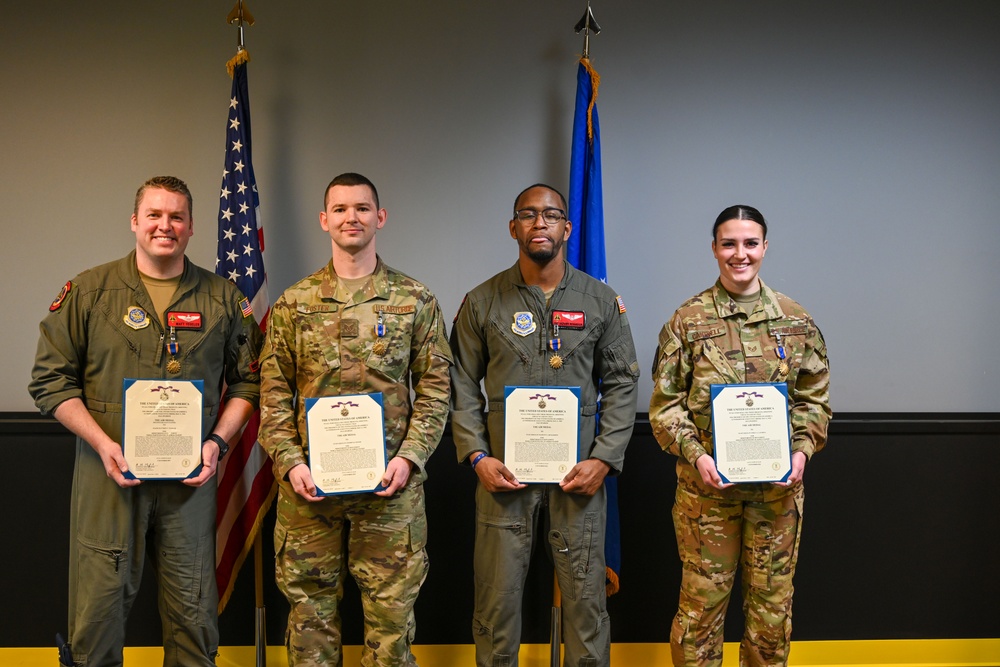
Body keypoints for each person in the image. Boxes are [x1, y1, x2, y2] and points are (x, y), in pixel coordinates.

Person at [28, 176, 263, 667]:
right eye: (154, 215)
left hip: (190, 483)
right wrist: (101, 442)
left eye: (176, 216)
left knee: (195, 621)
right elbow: (51, 382)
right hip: (109, 476)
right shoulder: (90, 292)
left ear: (192, 227)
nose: (165, 225)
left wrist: (218, 442)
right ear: (135, 221)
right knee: (97, 619)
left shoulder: (222, 298)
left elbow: (248, 383)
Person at [258, 172, 452, 667]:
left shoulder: (414, 300)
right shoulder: (293, 304)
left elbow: (435, 389)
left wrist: (410, 458)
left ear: (379, 218)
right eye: (341, 209)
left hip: (390, 490)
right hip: (308, 492)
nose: (352, 217)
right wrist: (289, 463)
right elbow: (273, 395)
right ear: (325, 220)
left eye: (362, 208)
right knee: (309, 626)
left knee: (390, 633)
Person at [450, 183, 640, 667]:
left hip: (578, 478)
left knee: (586, 605)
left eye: (551, 215)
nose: (540, 223)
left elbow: (622, 384)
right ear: (513, 227)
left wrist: (602, 458)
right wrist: (477, 456)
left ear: (567, 228)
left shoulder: (600, 301)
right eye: (529, 215)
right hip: (502, 479)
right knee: (496, 603)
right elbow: (458, 384)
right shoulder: (482, 301)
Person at [648, 205, 831, 666]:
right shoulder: (687, 321)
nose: (740, 254)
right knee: (701, 611)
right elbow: (665, 407)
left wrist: (803, 452)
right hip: (707, 495)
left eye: (750, 243)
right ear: (714, 249)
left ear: (765, 248)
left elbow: (815, 400)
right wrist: (697, 457)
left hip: (777, 494)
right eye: (729, 243)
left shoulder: (796, 319)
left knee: (771, 616)